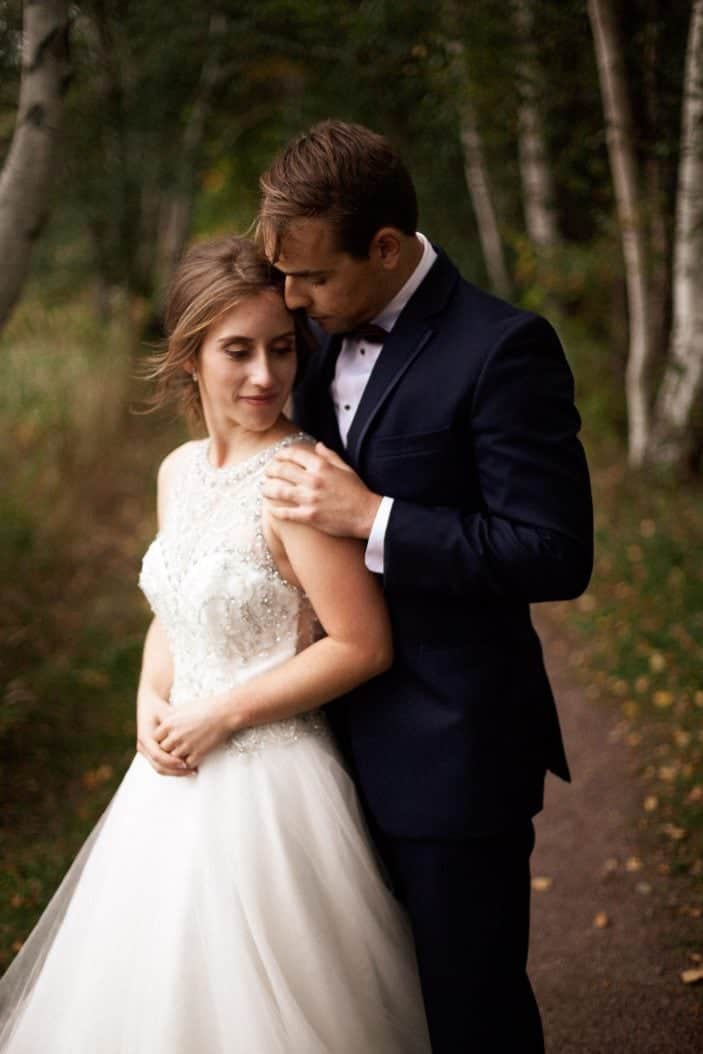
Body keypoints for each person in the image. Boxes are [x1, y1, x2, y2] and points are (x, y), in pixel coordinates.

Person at [0, 236, 432, 1053]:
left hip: (269, 784)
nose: (266, 375)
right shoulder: (177, 471)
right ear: (189, 357)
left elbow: (360, 644)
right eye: (237, 351)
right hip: (168, 777)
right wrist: (148, 696)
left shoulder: (299, 478)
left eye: (281, 348)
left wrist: (221, 715)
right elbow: (176, 604)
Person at [259, 119, 594, 1053]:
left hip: (451, 750)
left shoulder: (502, 348)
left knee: (468, 1009)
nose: (290, 299)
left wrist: (376, 519)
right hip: (312, 756)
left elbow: (553, 553)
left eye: (313, 277)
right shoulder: (311, 337)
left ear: (387, 247)